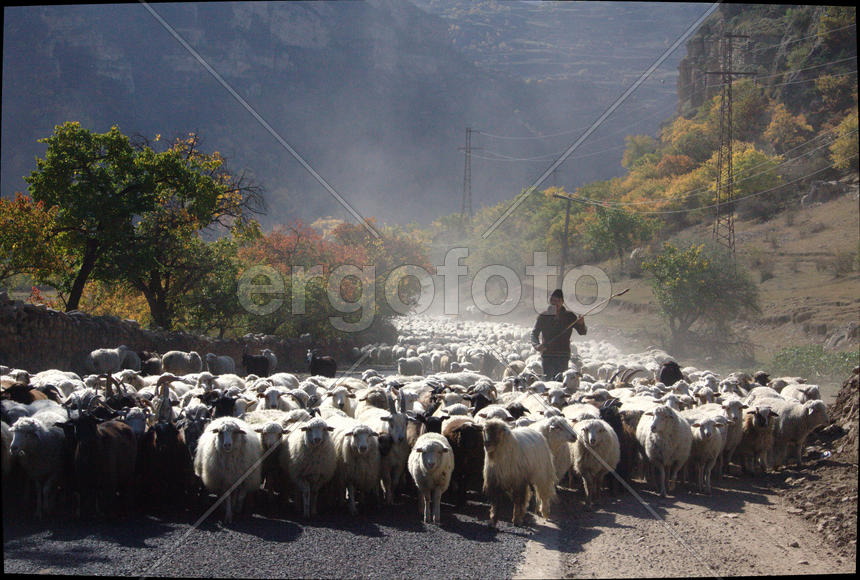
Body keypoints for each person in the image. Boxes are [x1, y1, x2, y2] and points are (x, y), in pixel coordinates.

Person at [531, 289, 586, 381]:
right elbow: (534, 333)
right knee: (548, 381)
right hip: (547, 354)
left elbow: (582, 332)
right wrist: (537, 345)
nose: (554, 303)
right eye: (552, 300)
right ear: (549, 301)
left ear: (562, 302)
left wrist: (581, 323)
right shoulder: (543, 316)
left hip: (563, 355)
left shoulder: (569, 316)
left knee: (560, 381)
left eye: (557, 301)